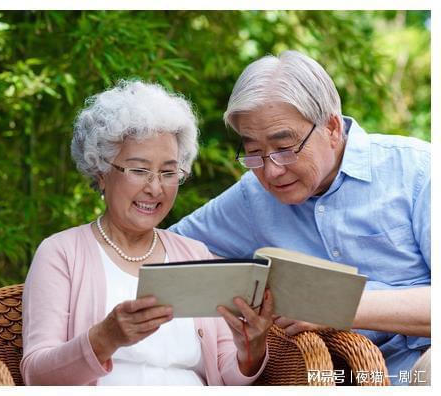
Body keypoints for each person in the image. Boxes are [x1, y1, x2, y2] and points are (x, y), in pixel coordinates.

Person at [169, 50, 430, 385]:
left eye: (285, 147)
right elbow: (169, 256)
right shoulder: (253, 196)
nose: (272, 170)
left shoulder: (417, 171)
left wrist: (333, 305)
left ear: (332, 128)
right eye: (253, 152)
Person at [21, 80, 274, 385]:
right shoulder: (61, 253)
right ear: (101, 172)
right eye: (139, 170)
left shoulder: (195, 255)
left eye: (168, 173)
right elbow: (36, 376)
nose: (155, 188)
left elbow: (226, 372)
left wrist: (251, 351)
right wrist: (105, 337)